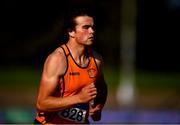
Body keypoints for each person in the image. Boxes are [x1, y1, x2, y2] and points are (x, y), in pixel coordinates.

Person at [33, 8, 107, 124]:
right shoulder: (57, 59)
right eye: (86, 27)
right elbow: (41, 103)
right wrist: (79, 98)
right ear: (71, 32)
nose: (92, 31)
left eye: (92, 27)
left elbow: (102, 87)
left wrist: (99, 107)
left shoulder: (96, 60)